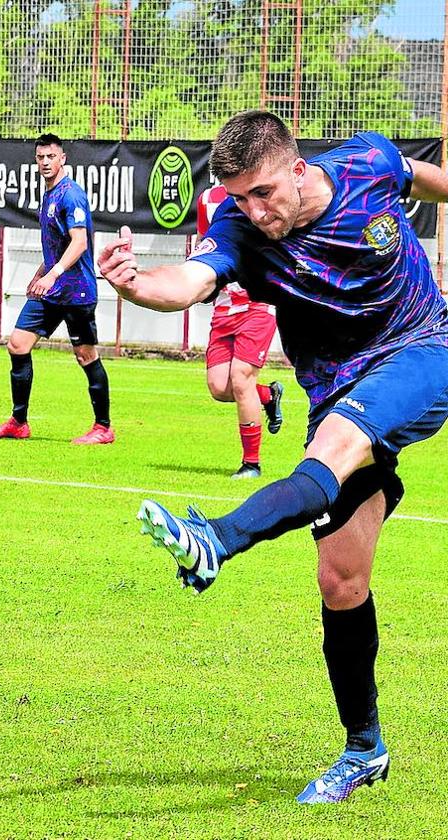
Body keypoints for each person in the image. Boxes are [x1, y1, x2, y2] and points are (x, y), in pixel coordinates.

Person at [98, 110, 448, 804]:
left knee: (338, 443)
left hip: (423, 348)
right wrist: (135, 285)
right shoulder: (238, 230)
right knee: (341, 581)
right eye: (239, 198)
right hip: (336, 387)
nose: (254, 212)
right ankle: (364, 748)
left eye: (263, 193)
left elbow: (425, 179)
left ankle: (215, 539)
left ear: (297, 167)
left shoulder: (364, 164)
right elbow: (191, 282)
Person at [0, 133, 113, 445]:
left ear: (62, 158)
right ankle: (18, 421)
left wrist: (51, 275)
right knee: (17, 344)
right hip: (53, 289)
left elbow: (79, 242)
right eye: (40, 157)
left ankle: (104, 427)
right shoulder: (49, 195)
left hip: (76, 290)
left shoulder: (71, 195)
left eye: (50, 157)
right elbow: (57, 246)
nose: (44, 163)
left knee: (85, 355)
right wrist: (39, 274)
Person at [197, 184, 285, 478]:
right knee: (219, 388)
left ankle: (251, 464)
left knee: (240, 378)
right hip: (224, 307)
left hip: (257, 303)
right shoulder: (208, 200)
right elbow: (204, 244)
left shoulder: (265, 194)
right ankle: (268, 396)